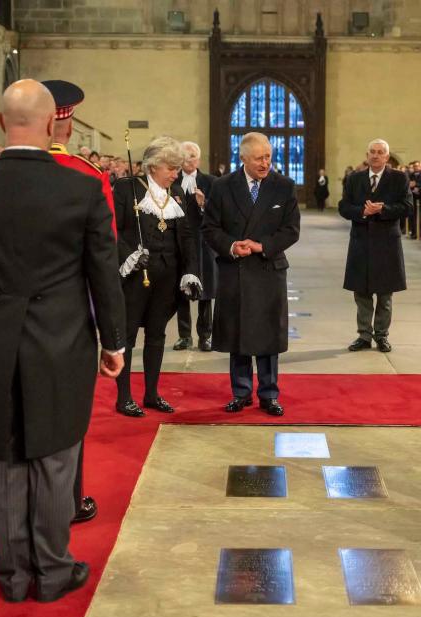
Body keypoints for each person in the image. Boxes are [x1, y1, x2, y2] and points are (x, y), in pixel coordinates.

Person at [0, 79, 125, 603]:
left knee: (2, 455)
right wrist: (113, 342)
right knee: (54, 455)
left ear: (1, 123)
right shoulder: (83, 188)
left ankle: (12, 574)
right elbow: (102, 272)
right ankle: (51, 570)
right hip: (61, 340)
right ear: (54, 124)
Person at [41, 79, 117, 525]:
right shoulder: (88, 177)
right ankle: (68, 502)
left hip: (6, 318)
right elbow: (102, 258)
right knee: (67, 412)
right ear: (65, 125)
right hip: (68, 317)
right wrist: (113, 337)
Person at [202, 132, 300, 417]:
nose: (265, 163)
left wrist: (262, 245)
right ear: (243, 157)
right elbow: (210, 228)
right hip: (236, 269)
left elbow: (291, 230)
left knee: (268, 335)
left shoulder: (284, 186)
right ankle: (241, 392)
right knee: (239, 334)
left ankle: (269, 394)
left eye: (268, 156)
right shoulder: (222, 187)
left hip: (269, 269)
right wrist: (232, 246)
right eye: (259, 158)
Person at [113, 136, 201, 418]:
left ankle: (151, 394)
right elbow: (111, 229)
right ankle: (124, 397)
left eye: (177, 168)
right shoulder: (127, 189)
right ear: (153, 166)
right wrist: (128, 255)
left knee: (157, 335)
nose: (176, 174)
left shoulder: (177, 193)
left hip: (167, 276)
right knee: (126, 336)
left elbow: (186, 235)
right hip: (136, 276)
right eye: (171, 168)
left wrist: (190, 270)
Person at [340, 139, 412, 354]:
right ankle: (364, 335)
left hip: (386, 242)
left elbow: (407, 207)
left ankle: (381, 335)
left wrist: (383, 209)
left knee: (384, 293)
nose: (375, 155)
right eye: (372, 152)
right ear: (367, 154)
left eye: (380, 152)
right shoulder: (355, 178)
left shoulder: (399, 178)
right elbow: (344, 207)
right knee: (361, 292)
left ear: (387, 157)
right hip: (361, 241)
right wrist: (363, 212)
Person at [173, 141, 216, 352]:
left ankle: (205, 336)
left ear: (198, 160)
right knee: (182, 287)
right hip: (181, 241)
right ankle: (184, 336)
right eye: (184, 157)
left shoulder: (210, 182)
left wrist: (203, 204)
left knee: (205, 291)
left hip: (203, 242)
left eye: (192, 157)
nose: (188, 161)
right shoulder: (173, 182)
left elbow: (219, 215)